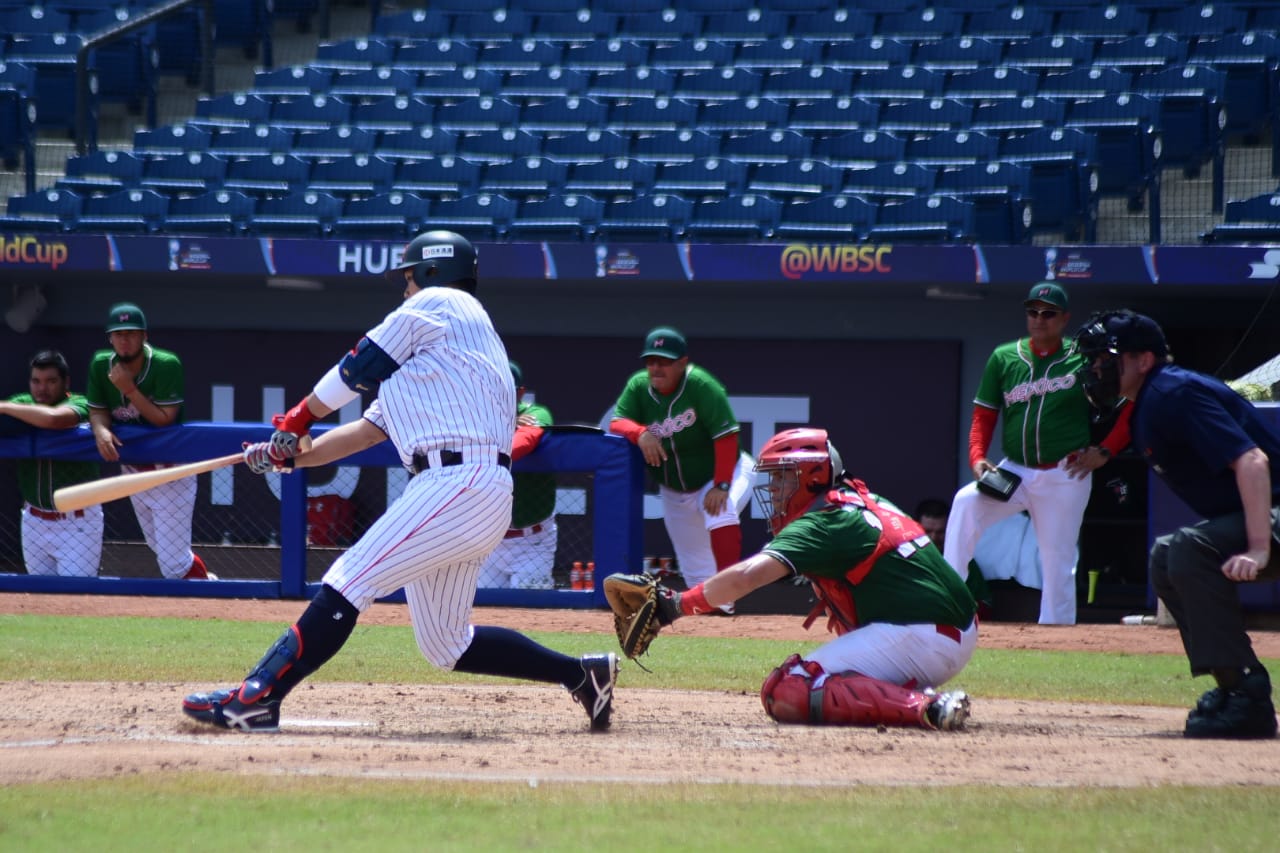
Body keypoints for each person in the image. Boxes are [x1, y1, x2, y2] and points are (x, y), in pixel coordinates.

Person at [181, 230, 618, 733]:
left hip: (458, 482)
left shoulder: (443, 303)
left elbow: (357, 365)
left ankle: (256, 697)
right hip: (470, 490)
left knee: (349, 578)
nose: (404, 289)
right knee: (445, 643)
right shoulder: (440, 362)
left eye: (408, 277)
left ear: (433, 272)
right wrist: (288, 456)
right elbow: (363, 434)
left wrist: (297, 418)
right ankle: (583, 675)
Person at [617, 427, 975, 730]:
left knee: (788, 688)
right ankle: (922, 699)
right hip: (945, 627)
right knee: (814, 677)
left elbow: (746, 577)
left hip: (924, 635)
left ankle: (927, 707)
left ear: (813, 476)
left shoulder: (823, 522)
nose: (773, 490)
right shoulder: (857, 501)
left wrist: (675, 605)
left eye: (782, 477)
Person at [1076, 309, 1279, 739]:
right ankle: (1238, 686)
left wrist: (1259, 547)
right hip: (1264, 513)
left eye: (1106, 358)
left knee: (1188, 547)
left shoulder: (1173, 393)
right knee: (1167, 555)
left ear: (1143, 360)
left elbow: (1252, 460)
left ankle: (1247, 696)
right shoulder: (1148, 401)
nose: (1097, 369)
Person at [943, 282, 1129, 625]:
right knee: (966, 503)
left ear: (1064, 318)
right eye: (1033, 312)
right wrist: (977, 457)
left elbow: (1130, 401)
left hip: (1065, 473)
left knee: (1056, 559)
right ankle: (947, 605)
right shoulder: (1004, 357)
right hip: (1015, 469)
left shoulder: (1083, 356)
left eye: (1048, 313)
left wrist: (1106, 450)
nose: (1039, 319)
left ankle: (1056, 637)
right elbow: (984, 415)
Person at [608, 325, 753, 613]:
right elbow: (617, 422)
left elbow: (726, 436)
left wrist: (722, 485)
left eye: (664, 361)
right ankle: (716, 617)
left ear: (683, 363)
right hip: (674, 490)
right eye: (651, 361)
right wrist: (640, 433)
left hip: (725, 471)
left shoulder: (701, 385)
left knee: (720, 511)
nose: (656, 368)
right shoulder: (639, 386)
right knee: (696, 574)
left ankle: (733, 595)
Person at [85, 302, 210, 580]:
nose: (125, 340)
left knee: (173, 564)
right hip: (133, 472)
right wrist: (101, 429)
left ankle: (209, 598)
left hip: (170, 473)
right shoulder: (100, 364)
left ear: (144, 336)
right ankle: (208, 585)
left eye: (131, 333)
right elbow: (97, 410)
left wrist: (128, 388)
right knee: (163, 551)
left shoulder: (165, 364)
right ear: (110, 338)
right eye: (118, 334)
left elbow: (164, 418)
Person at [0, 350, 103, 577]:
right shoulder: (24, 402)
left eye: (50, 381)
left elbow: (54, 419)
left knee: (76, 598)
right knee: (40, 598)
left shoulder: (80, 402)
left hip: (77, 522)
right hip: (33, 520)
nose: (42, 388)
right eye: (36, 381)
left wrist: (5, 407)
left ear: (65, 382)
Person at [477, 360, 558, 589]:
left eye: (505, 390)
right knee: (481, 612)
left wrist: (493, 446)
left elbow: (524, 440)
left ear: (520, 394)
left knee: (530, 612)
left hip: (531, 541)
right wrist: (508, 422)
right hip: (487, 541)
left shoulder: (537, 413)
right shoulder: (477, 417)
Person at [915, 496, 994, 619]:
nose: (934, 538)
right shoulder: (903, 558)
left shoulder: (964, 559)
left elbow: (985, 605)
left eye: (940, 532)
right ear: (915, 529)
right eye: (928, 531)